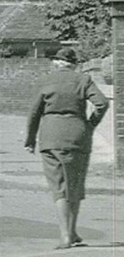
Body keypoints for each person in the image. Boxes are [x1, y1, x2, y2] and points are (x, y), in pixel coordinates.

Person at [25, 47, 109, 250]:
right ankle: (71, 231)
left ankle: (65, 236)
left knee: (59, 186)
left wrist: (30, 139)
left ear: (56, 63)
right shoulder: (83, 80)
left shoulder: (45, 81)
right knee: (75, 183)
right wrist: (89, 125)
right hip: (78, 135)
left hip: (51, 136)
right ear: (74, 63)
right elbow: (102, 104)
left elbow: (34, 113)